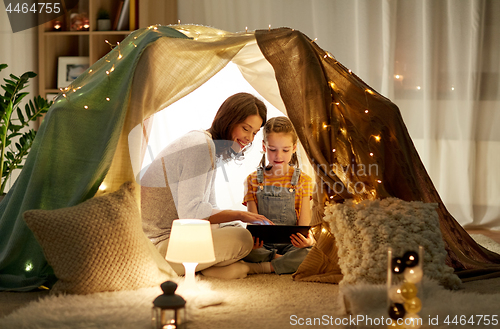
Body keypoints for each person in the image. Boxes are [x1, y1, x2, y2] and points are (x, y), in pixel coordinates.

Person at [141, 92, 273, 280]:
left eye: (254, 132)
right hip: (160, 248)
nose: (250, 139)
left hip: (177, 238)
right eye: (246, 128)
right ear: (229, 120)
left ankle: (208, 269)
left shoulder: (208, 146)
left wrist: (235, 222)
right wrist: (240, 214)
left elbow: (209, 206)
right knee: (242, 239)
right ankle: (254, 268)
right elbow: (192, 213)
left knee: (240, 231)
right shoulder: (202, 147)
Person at [242, 116, 315, 275]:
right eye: (272, 149)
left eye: (285, 150)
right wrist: (253, 242)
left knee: (311, 252)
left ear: (294, 148)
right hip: (263, 245)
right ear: (264, 146)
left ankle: (266, 266)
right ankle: (279, 261)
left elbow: (304, 223)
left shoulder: (304, 180)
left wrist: (307, 240)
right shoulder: (252, 180)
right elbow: (253, 222)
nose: (278, 156)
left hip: (292, 244)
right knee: (243, 248)